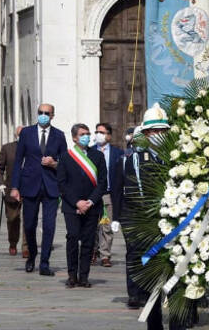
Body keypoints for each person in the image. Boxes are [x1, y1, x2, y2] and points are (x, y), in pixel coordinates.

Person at [111, 104, 194, 329]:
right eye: (154, 131)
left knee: (178, 279)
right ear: (146, 134)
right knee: (152, 284)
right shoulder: (134, 159)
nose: (158, 135)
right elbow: (130, 192)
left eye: (162, 131)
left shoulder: (178, 157)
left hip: (176, 228)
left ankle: (179, 323)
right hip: (149, 227)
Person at [10, 104, 68, 276]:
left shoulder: (59, 135)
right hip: (30, 185)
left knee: (49, 226)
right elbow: (18, 161)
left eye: (46, 113)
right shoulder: (27, 133)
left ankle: (44, 262)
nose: (43, 115)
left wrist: (54, 163)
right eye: (40, 113)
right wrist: (15, 186)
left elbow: (64, 162)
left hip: (51, 186)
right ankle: (32, 255)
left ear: (52, 116)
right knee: (29, 225)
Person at [58, 124, 107, 288]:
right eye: (82, 134)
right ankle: (72, 275)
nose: (86, 136)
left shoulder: (98, 156)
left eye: (88, 134)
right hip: (71, 206)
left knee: (88, 240)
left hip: (92, 205)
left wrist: (90, 201)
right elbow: (62, 183)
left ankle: (84, 276)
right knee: (72, 237)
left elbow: (102, 183)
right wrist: (77, 202)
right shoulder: (66, 157)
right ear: (74, 138)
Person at [91, 122, 124, 267]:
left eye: (102, 132)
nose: (98, 134)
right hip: (92, 194)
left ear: (109, 136)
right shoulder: (89, 151)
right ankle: (92, 251)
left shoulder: (118, 153)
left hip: (109, 194)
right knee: (92, 225)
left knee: (106, 226)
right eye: (97, 131)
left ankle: (105, 254)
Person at [0, 126, 28, 257]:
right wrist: (0, 184)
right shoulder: (7, 148)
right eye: (20, 134)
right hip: (11, 188)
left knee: (29, 219)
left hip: (29, 189)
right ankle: (13, 242)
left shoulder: (33, 148)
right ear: (16, 135)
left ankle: (26, 247)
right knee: (13, 219)